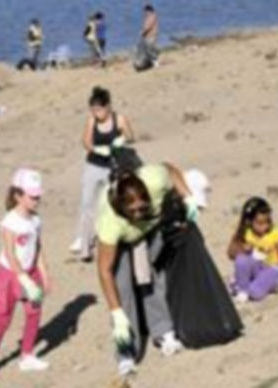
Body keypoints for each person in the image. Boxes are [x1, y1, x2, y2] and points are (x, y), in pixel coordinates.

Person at [96, 163, 198, 376]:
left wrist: (188, 197)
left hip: (152, 229)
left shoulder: (154, 180)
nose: (138, 214)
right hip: (122, 240)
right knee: (123, 290)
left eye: (143, 208)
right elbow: (104, 270)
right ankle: (126, 352)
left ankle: (163, 331)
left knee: (154, 277)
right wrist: (116, 313)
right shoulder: (110, 222)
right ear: (122, 207)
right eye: (132, 211)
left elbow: (170, 168)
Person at [0, 168, 52, 380]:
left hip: (31, 271)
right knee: (2, 318)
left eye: (38, 196)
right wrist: (23, 278)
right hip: (10, 275)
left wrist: (44, 275)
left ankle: (27, 355)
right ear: (18, 195)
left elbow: (37, 248)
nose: (37, 200)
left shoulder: (36, 220)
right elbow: (11, 253)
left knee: (33, 313)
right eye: (32, 196)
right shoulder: (10, 221)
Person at [69, 87, 136, 261]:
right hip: (93, 166)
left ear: (108, 107)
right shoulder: (92, 121)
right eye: (93, 109)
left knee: (107, 204)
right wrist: (97, 149)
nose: (96, 113)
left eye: (99, 109)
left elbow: (131, 136)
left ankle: (109, 238)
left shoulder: (119, 119)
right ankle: (84, 246)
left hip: (112, 168)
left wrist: (121, 140)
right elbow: (86, 142)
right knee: (86, 204)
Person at [227, 197, 278, 303]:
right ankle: (242, 291)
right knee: (241, 260)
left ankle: (245, 287)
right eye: (259, 223)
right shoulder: (246, 232)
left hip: (273, 269)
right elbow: (231, 253)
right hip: (257, 267)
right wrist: (244, 249)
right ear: (249, 221)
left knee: (255, 292)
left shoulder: (275, 234)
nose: (264, 226)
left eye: (267, 222)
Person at [139, 4, 161, 68]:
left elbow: (147, 27)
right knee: (149, 49)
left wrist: (142, 32)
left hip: (151, 36)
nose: (145, 13)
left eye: (145, 11)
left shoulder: (151, 17)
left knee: (150, 49)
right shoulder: (151, 17)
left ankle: (155, 63)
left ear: (149, 11)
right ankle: (152, 63)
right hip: (149, 36)